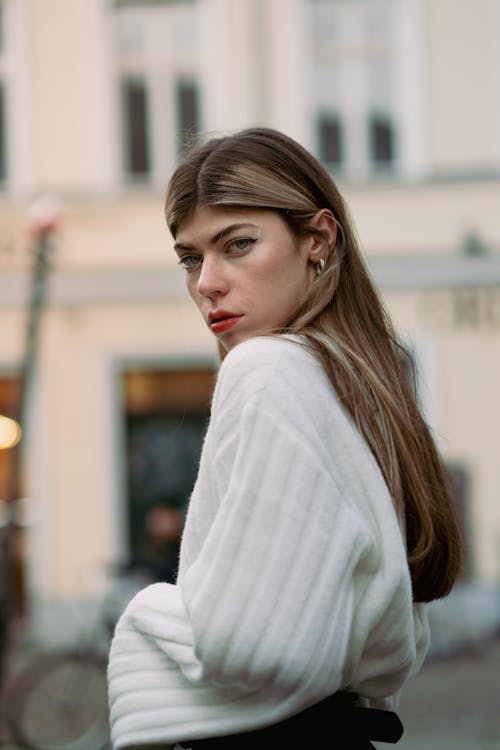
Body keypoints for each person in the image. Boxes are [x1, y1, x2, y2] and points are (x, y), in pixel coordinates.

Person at [107, 127, 463, 749]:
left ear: (317, 240)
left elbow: (256, 647)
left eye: (237, 244)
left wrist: (142, 622)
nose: (207, 282)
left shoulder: (268, 369)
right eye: (190, 258)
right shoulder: (360, 384)